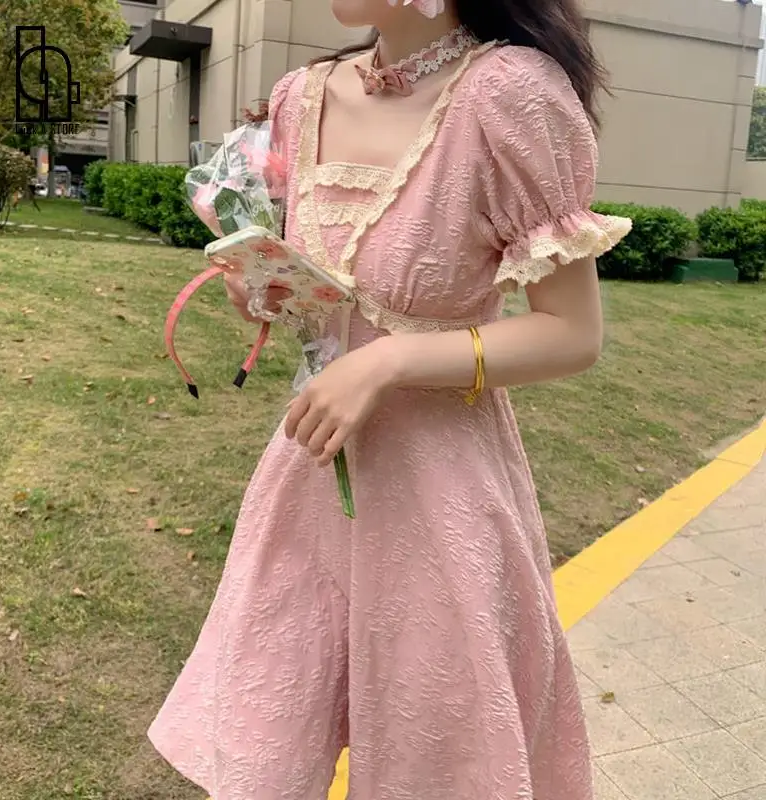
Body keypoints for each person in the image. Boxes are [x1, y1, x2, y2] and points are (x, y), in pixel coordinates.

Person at [148, 0, 631, 797]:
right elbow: (325, 291)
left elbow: (572, 334)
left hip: (440, 500)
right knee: (269, 749)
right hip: (309, 474)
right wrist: (266, 286)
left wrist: (391, 360)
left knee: (432, 761)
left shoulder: (509, 95)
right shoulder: (304, 96)